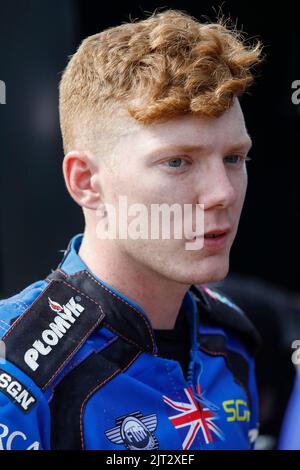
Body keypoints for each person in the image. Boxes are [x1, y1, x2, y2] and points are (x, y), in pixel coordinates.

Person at [0, 9, 263, 450]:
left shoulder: (231, 340)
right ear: (86, 182)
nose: (222, 192)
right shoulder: (16, 371)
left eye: (234, 158)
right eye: (177, 161)